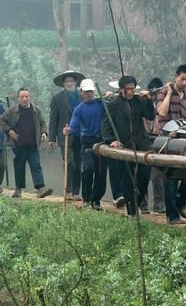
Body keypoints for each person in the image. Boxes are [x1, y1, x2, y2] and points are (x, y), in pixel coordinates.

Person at [103, 75, 155, 216]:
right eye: (128, 89)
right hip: (124, 145)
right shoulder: (113, 104)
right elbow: (107, 126)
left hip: (141, 144)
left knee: (144, 175)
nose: (131, 92)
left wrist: (149, 100)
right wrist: (110, 140)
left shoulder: (140, 101)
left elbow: (151, 116)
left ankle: (136, 202)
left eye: (133, 89)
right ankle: (132, 211)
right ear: (120, 90)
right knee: (127, 178)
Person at [156, 64, 186, 223]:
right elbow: (161, 112)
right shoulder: (163, 92)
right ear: (176, 77)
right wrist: (168, 94)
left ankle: (179, 206)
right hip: (167, 140)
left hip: (183, 141)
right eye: (182, 79)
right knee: (171, 178)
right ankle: (172, 216)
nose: (185, 83)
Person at [0, 87, 53, 199]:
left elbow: (43, 123)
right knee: (19, 167)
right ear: (18, 98)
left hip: (33, 144)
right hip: (18, 145)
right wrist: (9, 131)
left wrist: (44, 133)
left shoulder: (36, 110)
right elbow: (0, 121)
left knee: (36, 165)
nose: (24, 99)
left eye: (26, 97)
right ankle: (18, 189)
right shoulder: (12, 111)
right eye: (22, 97)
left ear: (29, 97)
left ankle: (40, 188)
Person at [65, 79, 106, 209]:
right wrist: (68, 130)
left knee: (101, 173)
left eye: (91, 91)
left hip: (102, 141)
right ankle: (86, 199)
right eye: (86, 92)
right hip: (87, 141)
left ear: (94, 91)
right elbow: (74, 127)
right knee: (88, 169)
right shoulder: (79, 109)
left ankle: (96, 200)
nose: (89, 94)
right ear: (81, 92)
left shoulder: (102, 105)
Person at [49, 70, 84, 201]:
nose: (69, 83)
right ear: (63, 84)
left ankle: (76, 192)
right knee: (70, 162)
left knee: (79, 164)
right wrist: (52, 138)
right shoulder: (57, 98)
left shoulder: (82, 96)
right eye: (67, 81)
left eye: (71, 81)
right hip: (65, 136)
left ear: (75, 82)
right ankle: (68, 190)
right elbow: (53, 119)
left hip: (80, 135)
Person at [146, 77, 165, 213]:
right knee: (143, 174)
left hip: (159, 142)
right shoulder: (145, 104)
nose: (154, 96)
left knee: (157, 175)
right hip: (145, 141)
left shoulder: (164, 105)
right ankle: (142, 204)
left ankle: (159, 204)